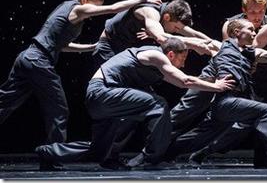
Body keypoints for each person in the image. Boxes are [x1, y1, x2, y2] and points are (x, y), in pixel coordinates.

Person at [0, 0, 161, 152]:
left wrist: (90, 47)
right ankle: (53, 155)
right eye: (93, 6)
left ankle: (52, 153)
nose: (93, 11)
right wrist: (142, 0)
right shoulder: (78, 9)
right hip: (39, 61)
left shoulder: (64, 7)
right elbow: (113, 8)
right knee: (58, 109)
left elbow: (60, 45)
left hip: (26, 57)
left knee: (5, 102)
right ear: (84, 0)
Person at [35, 37, 235, 171]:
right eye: (182, 59)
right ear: (171, 54)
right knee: (158, 104)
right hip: (103, 92)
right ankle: (151, 158)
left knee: (99, 150)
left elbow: (181, 81)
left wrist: (208, 79)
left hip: (103, 99)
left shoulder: (155, 62)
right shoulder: (156, 55)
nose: (183, 64)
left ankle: (47, 151)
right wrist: (217, 87)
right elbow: (185, 81)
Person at [165, 19, 267, 169]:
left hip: (232, 104)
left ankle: (164, 154)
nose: (255, 33)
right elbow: (193, 41)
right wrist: (161, 36)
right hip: (226, 100)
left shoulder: (250, 53)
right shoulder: (221, 46)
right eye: (250, 30)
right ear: (237, 32)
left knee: (201, 135)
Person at [170, 0, 267, 139]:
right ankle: (155, 142)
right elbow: (228, 57)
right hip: (219, 73)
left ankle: (186, 151)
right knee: (188, 107)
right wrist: (219, 88)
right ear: (244, 11)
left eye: (261, 11)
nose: (257, 16)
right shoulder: (232, 25)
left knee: (223, 122)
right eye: (252, 12)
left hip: (244, 80)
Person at [92, 0, 218, 69]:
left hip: (125, 49)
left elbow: (194, 34)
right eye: (175, 28)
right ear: (167, 17)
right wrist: (195, 45)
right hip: (109, 48)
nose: (176, 31)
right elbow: (162, 38)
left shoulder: (169, 16)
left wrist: (221, 46)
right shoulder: (150, 12)